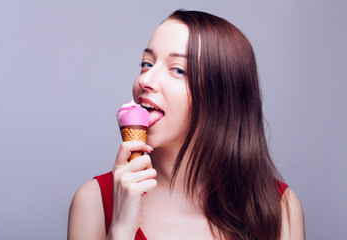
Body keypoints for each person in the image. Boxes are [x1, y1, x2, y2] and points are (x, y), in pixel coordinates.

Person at [67, 10, 305, 240]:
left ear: (222, 100)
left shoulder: (281, 207)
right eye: (147, 63)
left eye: (178, 70)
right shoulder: (93, 202)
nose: (144, 80)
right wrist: (120, 230)